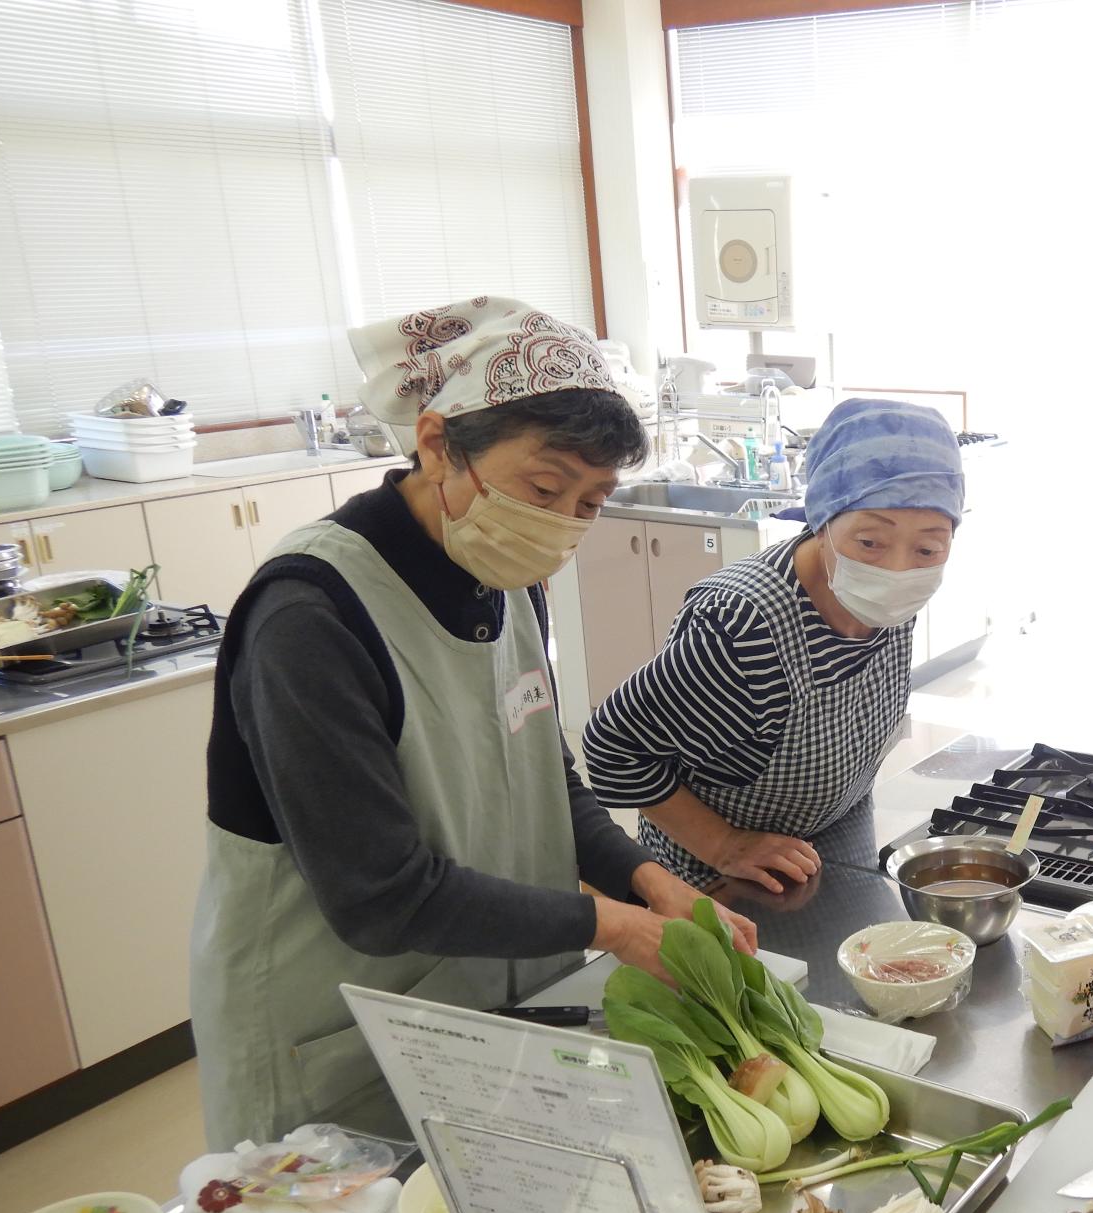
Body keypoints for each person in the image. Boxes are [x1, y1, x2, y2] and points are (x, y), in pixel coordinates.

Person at [190, 297, 755, 1149]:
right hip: (341, 1038)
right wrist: (610, 923)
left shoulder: (503, 574)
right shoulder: (310, 620)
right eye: (545, 487)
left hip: (484, 1008)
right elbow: (380, 897)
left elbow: (545, 781)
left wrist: (645, 878)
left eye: (592, 501)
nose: (562, 523)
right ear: (436, 444)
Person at [583, 399, 962, 894]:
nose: (897, 569)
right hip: (719, 884)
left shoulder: (893, 601)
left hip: (829, 849)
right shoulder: (741, 629)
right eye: (870, 542)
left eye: (927, 548)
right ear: (823, 521)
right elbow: (613, 747)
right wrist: (723, 844)